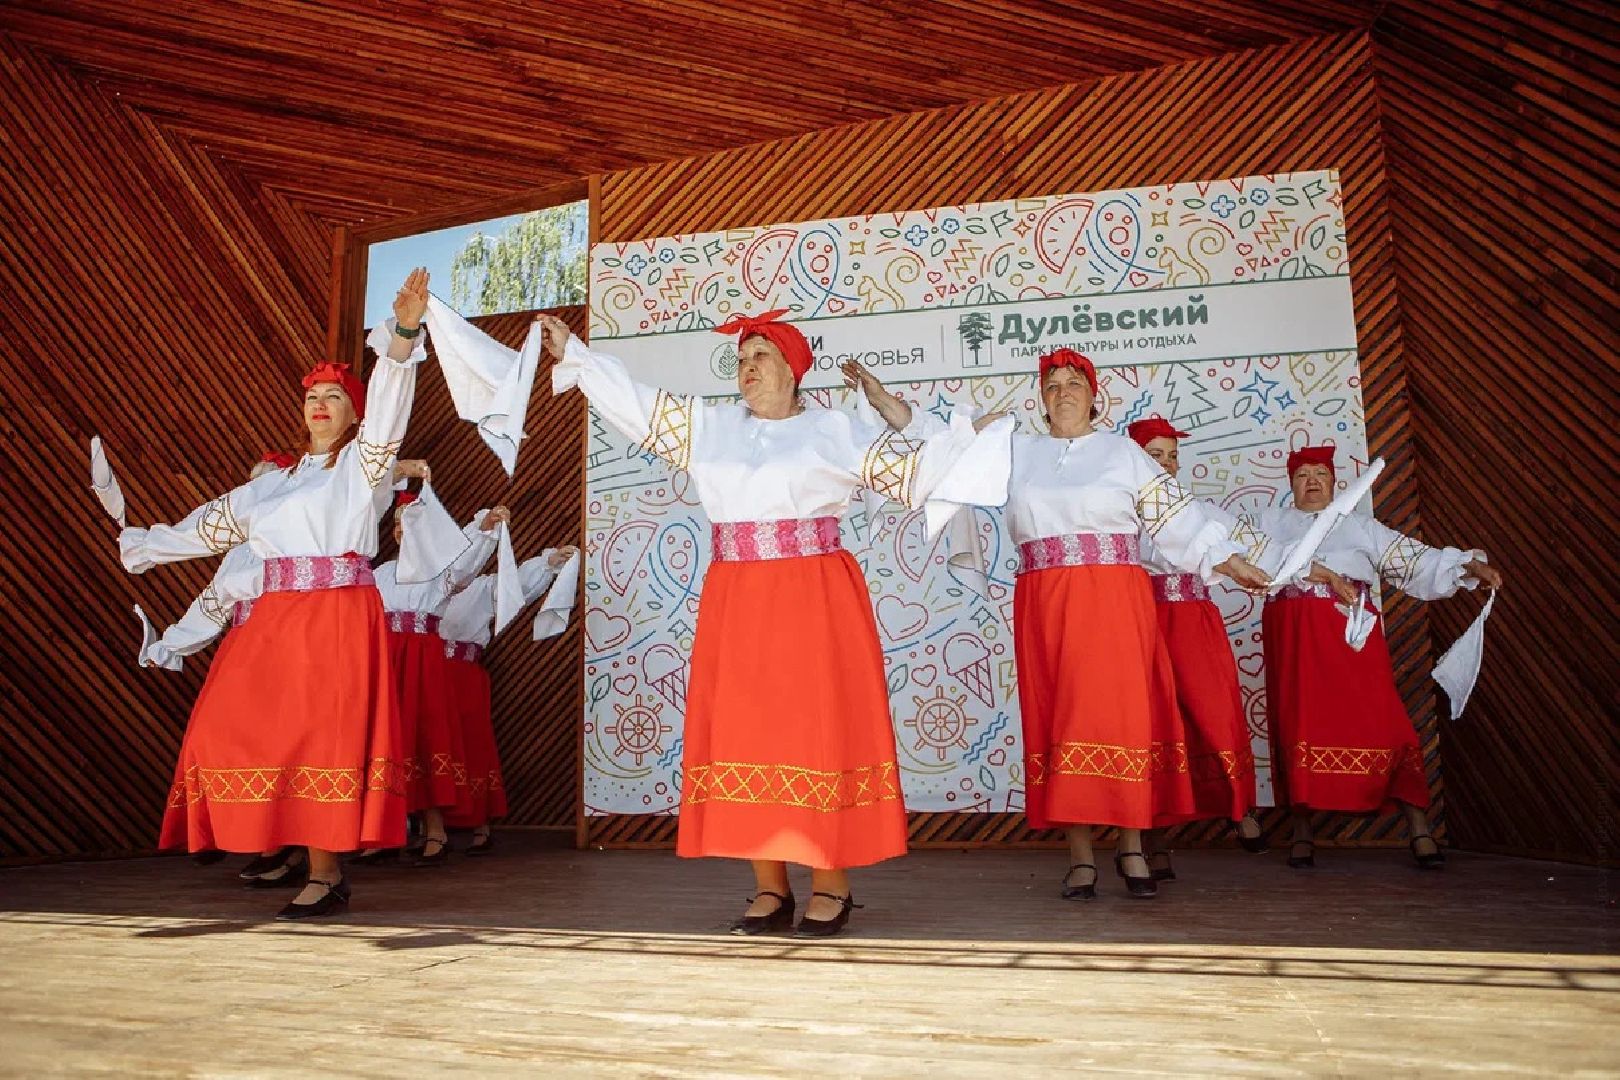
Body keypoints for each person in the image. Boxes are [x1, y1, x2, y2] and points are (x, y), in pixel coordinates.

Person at [511, 307, 1000, 937]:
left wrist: (966, 442)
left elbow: (911, 475)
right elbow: (636, 404)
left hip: (814, 596)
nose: (747, 368)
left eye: (761, 356)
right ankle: (770, 887)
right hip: (737, 598)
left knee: (817, 731)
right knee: (751, 734)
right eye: (741, 360)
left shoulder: (832, 430)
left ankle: (831, 883)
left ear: (795, 369)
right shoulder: (710, 428)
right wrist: (575, 354)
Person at [847, 350, 1269, 899]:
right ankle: (1079, 856)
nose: (1064, 391)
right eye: (1053, 384)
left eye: (1075, 383)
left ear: (1096, 397)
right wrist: (882, 401)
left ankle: (1132, 847)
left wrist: (1232, 562)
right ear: (1041, 398)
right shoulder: (1015, 450)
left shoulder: (1123, 453)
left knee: (1123, 717)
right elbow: (943, 449)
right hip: (1046, 601)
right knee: (1063, 718)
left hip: (1117, 599)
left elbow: (1176, 514)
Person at [118, 268, 433, 919]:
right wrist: (146, 546)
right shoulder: (276, 483)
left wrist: (401, 337)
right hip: (276, 616)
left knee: (321, 738)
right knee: (223, 725)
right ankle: (256, 834)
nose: (320, 404)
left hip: (337, 613)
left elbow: (393, 408)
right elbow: (214, 524)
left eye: (334, 397)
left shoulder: (361, 466)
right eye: (313, 395)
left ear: (354, 412)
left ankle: (326, 872)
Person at [1250, 445, 1502, 869]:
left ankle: (1417, 827)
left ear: (1334, 482)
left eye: (1320, 474)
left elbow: (1415, 560)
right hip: (1294, 639)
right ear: (1290, 483)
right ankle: (1302, 833)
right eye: (1302, 475)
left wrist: (1468, 566)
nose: (1312, 481)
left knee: (1383, 721)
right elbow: (1231, 549)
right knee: (1298, 722)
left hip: (1352, 637)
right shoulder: (1270, 524)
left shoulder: (1363, 528)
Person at [439, 541, 580, 852]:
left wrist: (549, 562)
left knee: (471, 744)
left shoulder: (479, 587)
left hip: (462, 675)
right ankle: (427, 829)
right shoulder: (414, 584)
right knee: (429, 747)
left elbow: (514, 586)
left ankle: (480, 824)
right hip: (423, 673)